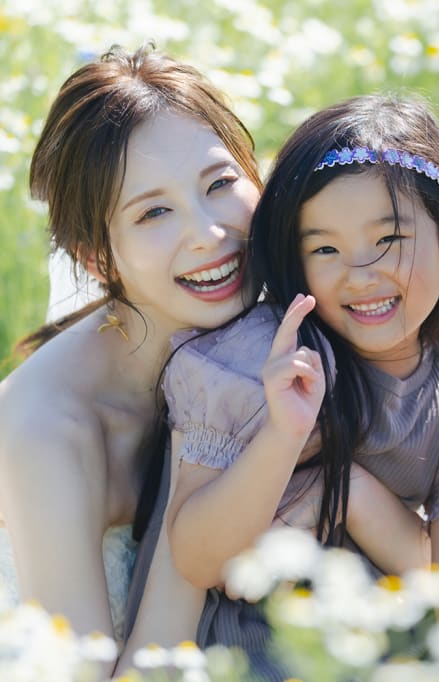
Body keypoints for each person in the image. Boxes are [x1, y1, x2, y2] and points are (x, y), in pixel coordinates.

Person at [161, 93, 439, 677]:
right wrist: (284, 435)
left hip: (393, 648)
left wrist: (356, 498)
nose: (361, 275)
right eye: (326, 249)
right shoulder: (265, 360)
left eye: (388, 240)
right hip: (264, 654)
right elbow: (199, 560)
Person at [0, 45, 262, 673]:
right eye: (154, 212)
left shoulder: (274, 318)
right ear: (98, 260)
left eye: (221, 183)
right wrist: (199, 488)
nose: (208, 232)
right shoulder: (48, 430)